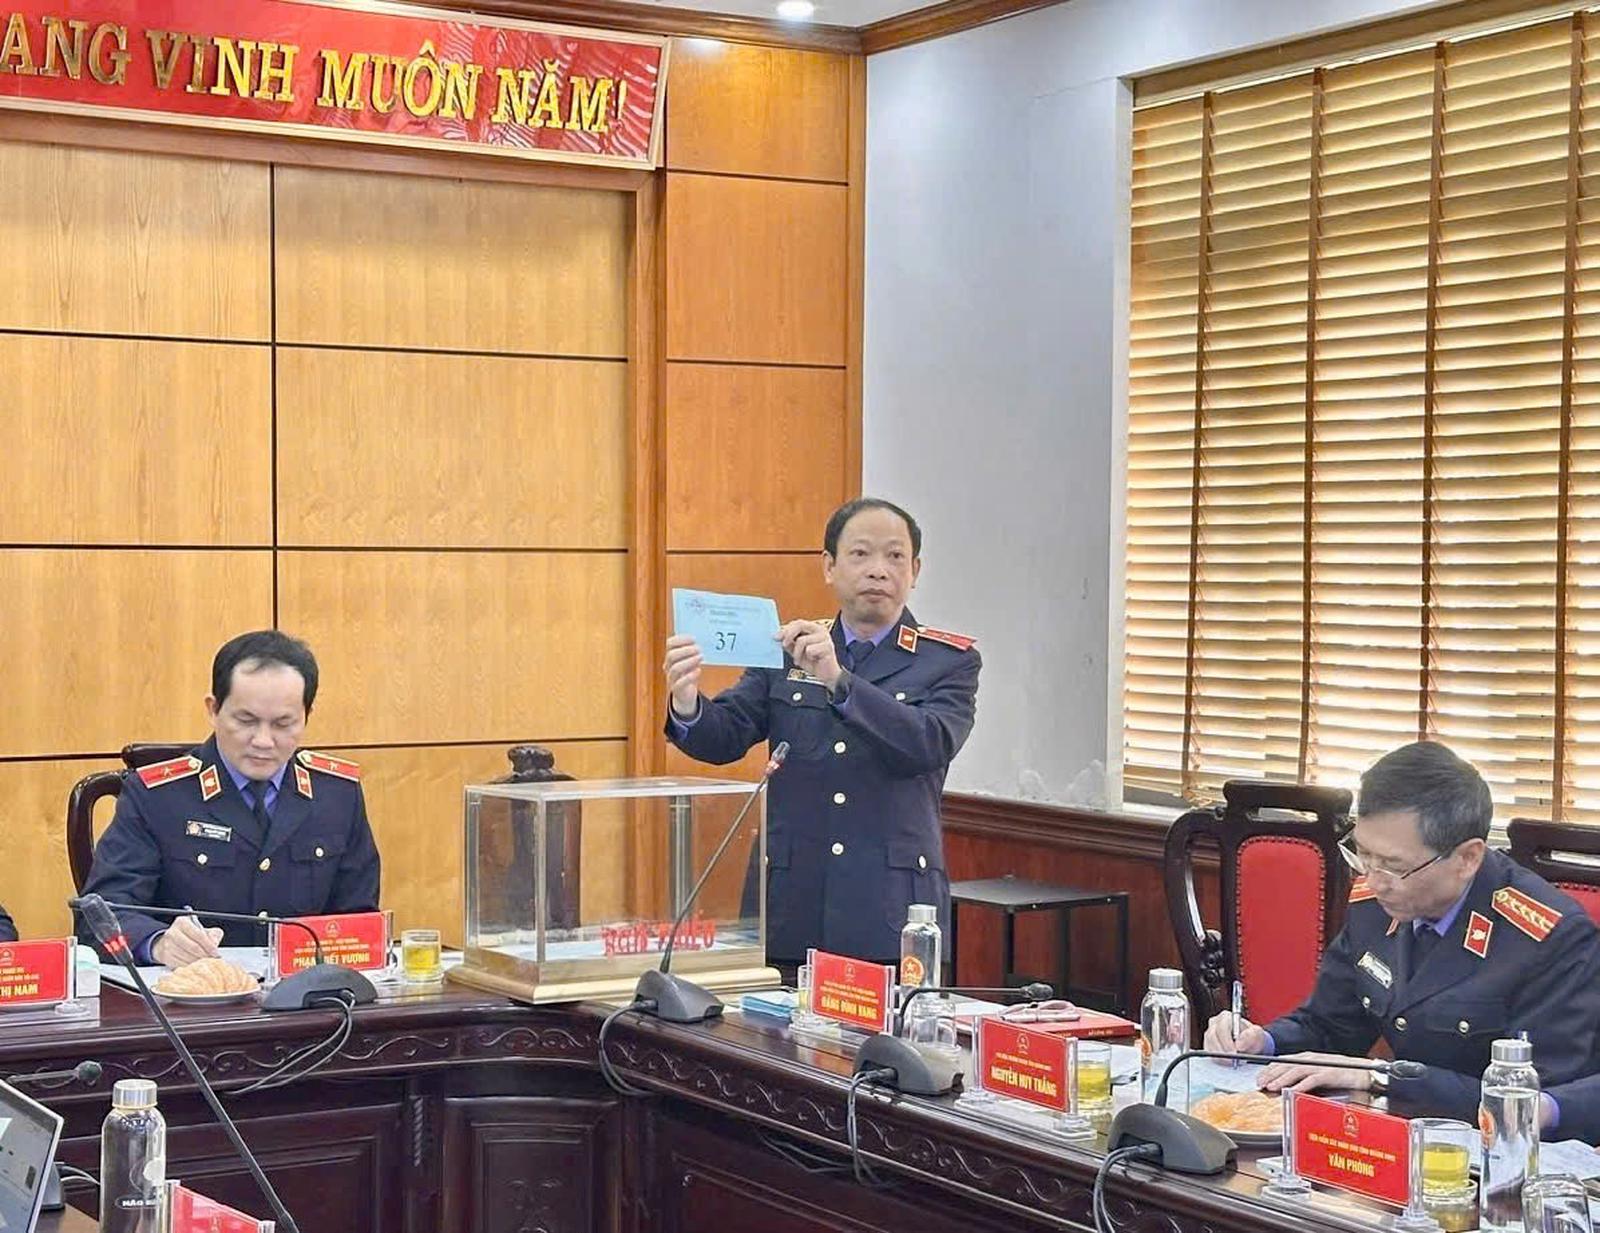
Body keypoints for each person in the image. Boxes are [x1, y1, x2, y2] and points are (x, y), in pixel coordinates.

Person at [1202, 741, 1600, 1122]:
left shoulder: (1547, 937)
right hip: (1402, 1133)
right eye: (1363, 854)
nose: (1375, 881)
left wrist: (1381, 1078)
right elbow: (1329, 1026)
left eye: (1393, 866)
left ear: (1467, 858)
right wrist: (1260, 1041)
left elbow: (1533, 1101)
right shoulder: (1375, 904)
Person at [664, 498, 981, 968]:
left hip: (890, 913)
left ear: (915, 571)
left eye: (895, 556)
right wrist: (687, 701)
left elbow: (928, 743)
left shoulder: (948, 661)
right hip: (792, 905)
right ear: (829, 566)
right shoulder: (790, 648)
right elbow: (726, 735)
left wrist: (839, 680)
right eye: (860, 554)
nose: (878, 570)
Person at [78, 630, 381, 967]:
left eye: (283, 724)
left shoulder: (337, 795)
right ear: (213, 709)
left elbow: (359, 919)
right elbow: (100, 915)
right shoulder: (157, 796)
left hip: (307, 992)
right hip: (193, 992)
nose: (263, 741)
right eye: (246, 720)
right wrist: (158, 942)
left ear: (306, 716)